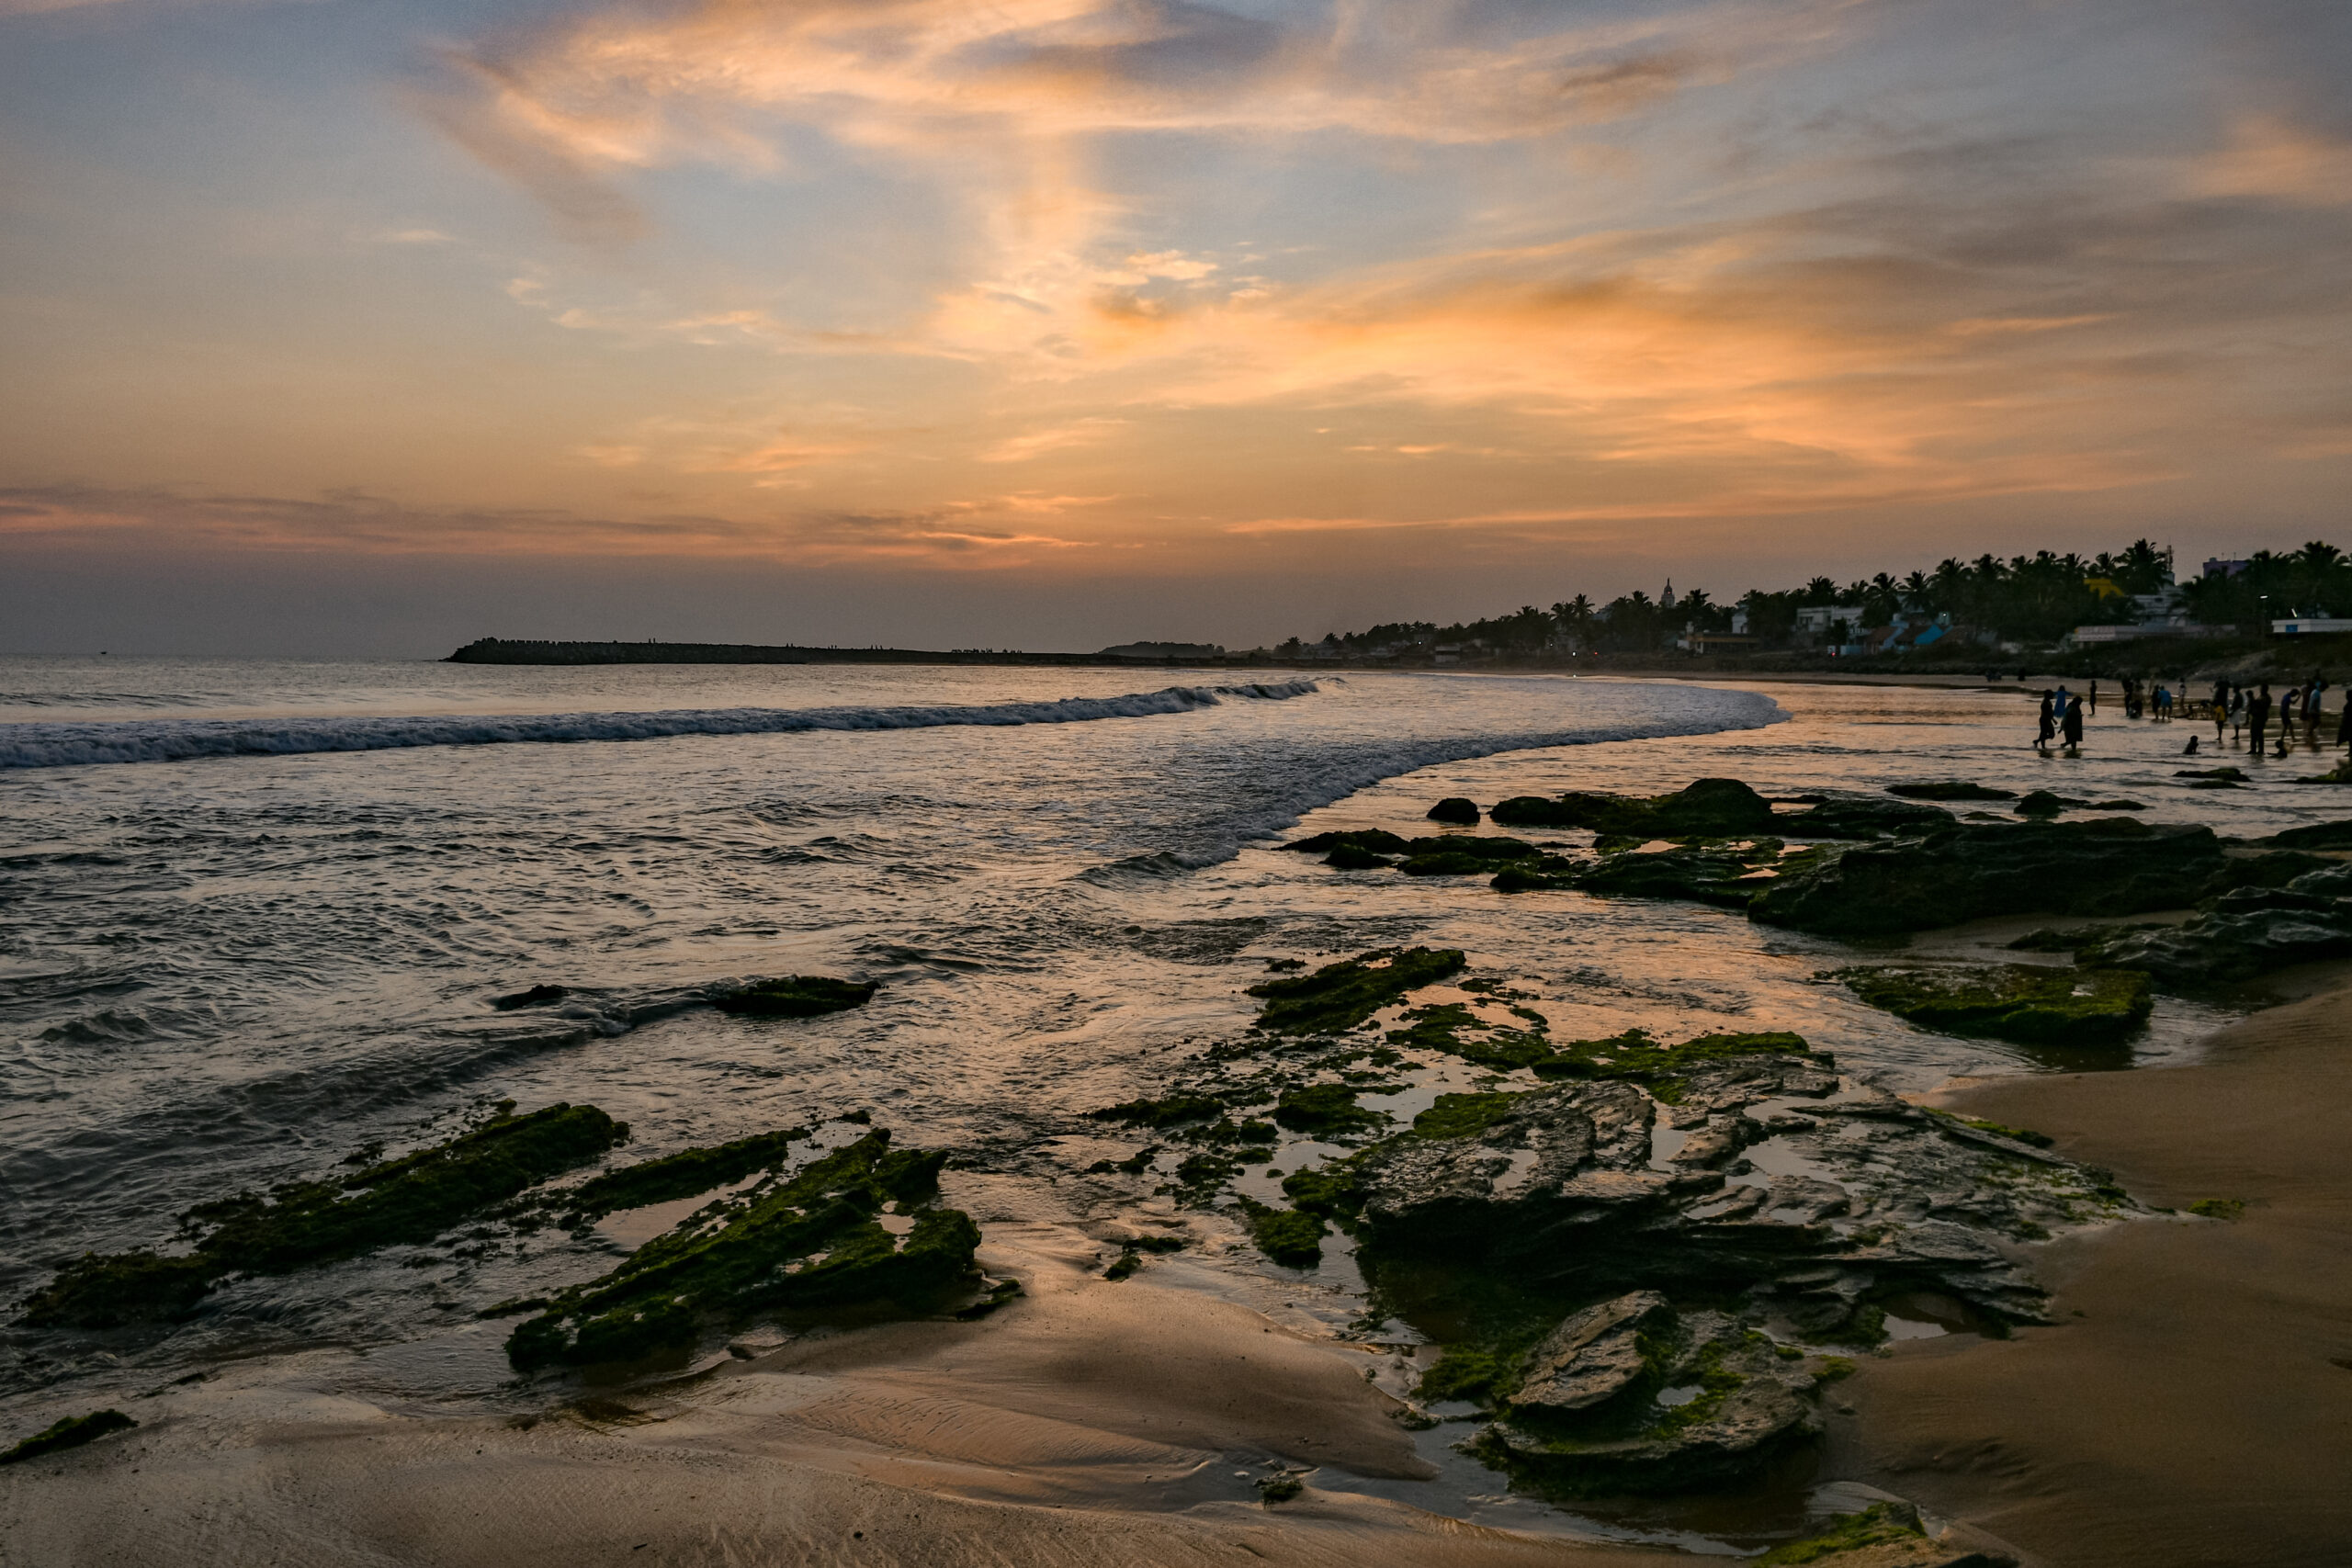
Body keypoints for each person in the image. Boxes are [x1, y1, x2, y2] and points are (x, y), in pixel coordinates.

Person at [2249, 682, 2272, 756]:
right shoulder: (2261, 696)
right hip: (2256, 716)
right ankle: (2253, 750)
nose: (2260, 690)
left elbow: (2262, 706)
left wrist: (2253, 700)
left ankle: (2260, 750)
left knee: (2259, 734)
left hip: (2261, 717)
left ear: (2265, 689)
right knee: (2253, 733)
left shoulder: (2267, 698)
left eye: (2262, 689)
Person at [2035, 689, 2056, 753]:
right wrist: (2053, 720)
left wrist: (2053, 719)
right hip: (2045, 719)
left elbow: (2049, 712)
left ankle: (2042, 747)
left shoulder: (2047, 701)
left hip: (2045, 719)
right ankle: (2038, 743)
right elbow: (2048, 713)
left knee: (2043, 733)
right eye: (2052, 694)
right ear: (2048, 695)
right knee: (2051, 734)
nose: (2053, 695)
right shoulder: (2046, 703)